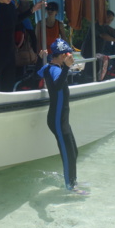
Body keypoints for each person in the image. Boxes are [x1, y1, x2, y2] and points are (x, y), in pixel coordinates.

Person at [37, 38, 79, 191]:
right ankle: (70, 187)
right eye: (68, 54)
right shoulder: (56, 70)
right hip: (58, 120)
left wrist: (40, 59)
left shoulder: (49, 67)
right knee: (68, 155)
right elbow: (57, 85)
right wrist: (67, 68)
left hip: (60, 119)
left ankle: (72, 181)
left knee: (74, 152)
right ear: (62, 56)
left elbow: (38, 73)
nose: (70, 57)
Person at [81, 10, 115, 80]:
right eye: (108, 18)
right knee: (90, 68)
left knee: (96, 67)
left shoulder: (105, 27)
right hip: (89, 50)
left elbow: (111, 35)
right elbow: (104, 35)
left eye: (111, 20)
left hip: (97, 52)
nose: (109, 21)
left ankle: (95, 78)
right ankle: (87, 79)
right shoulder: (96, 25)